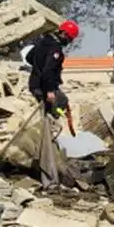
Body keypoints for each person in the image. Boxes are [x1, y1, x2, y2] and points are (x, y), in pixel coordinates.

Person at [28, 19, 79, 187]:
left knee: (57, 107)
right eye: (69, 39)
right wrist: (49, 90)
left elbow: (29, 57)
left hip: (34, 84)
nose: (68, 42)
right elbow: (49, 71)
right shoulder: (55, 49)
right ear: (64, 34)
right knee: (58, 106)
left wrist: (37, 68)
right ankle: (48, 175)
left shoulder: (43, 41)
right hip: (44, 88)